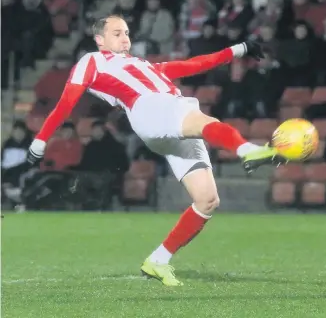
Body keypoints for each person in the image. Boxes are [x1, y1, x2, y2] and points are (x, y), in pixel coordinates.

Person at [27, 14, 285, 286]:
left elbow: (193, 65)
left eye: (127, 32)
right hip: (149, 108)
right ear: (99, 40)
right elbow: (66, 103)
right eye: (117, 33)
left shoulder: (141, 64)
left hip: (168, 120)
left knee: (207, 201)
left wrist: (238, 49)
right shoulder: (92, 61)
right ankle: (247, 150)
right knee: (203, 120)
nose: (125, 38)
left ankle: (158, 260)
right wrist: (40, 141)